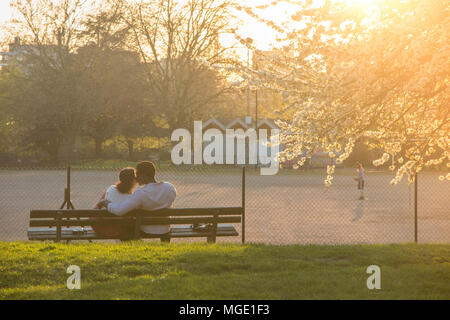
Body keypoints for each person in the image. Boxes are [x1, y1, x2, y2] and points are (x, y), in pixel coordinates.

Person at [97, 161, 176, 236]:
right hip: (165, 229)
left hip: (147, 230)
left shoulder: (141, 194)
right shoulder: (169, 187)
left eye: (137, 174)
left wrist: (106, 203)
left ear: (143, 175)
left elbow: (119, 211)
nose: (136, 178)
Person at [92, 167, 137, 239]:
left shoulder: (111, 188)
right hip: (118, 230)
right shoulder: (132, 198)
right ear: (133, 181)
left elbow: (99, 205)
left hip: (100, 227)